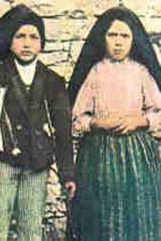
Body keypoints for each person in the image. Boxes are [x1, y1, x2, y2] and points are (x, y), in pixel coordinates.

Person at [0, 4, 76, 241]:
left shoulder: (53, 81)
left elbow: (62, 131)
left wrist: (67, 174)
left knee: (31, 227)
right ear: (9, 41)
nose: (27, 43)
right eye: (20, 37)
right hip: (3, 162)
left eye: (34, 37)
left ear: (42, 43)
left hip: (36, 165)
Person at [68, 7, 161, 241]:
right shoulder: (96, 72)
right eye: (112, 35)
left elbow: (158, 112)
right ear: (103, 38)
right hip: (98, 155)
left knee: (137, 211)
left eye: (124, 36)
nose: (118, 43)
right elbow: (77, 117)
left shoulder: (141, 73)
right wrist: (98, 122)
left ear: (134, 40)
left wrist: (139, 121)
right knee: (102, 212)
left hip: (137, 155)